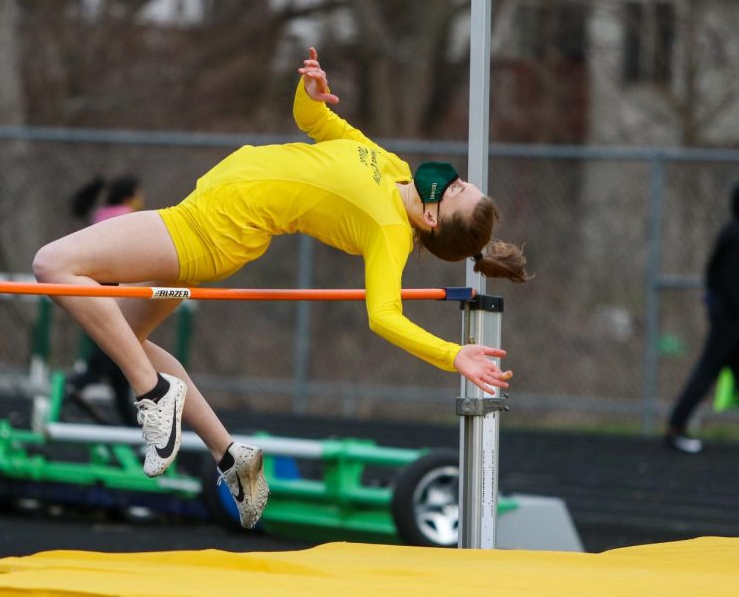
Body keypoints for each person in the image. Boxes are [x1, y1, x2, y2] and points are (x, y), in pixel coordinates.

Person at [32, 48, 529, 529]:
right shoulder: (393, 168)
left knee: (53, 264)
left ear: (432, 216)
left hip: (209, 228)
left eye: (459, 192)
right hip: (211, 218)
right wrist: (311, 92)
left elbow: (385, 315)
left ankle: (153, 392)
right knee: (126, 335)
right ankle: (231, 454)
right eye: (464, 182)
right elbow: (317, 125)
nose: (457, 179)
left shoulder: (389, 231)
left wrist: (452, 355)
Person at [665, 183, 739, 454]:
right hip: (729, 324)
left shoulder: (729, 233)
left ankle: (676, 425)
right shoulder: (734, 235)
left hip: (727, 319)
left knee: (708, 372)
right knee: (706, 372)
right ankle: (675, 426)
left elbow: (713, 275)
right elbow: (730, 283)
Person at [66, 175, 145, 425]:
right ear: (130, 195)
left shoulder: (100, 215)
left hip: (96, 293)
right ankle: (71, 386)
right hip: (115, 298)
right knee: (107, 361)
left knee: (119, 373)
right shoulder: (128, 216)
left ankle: (133, 432)